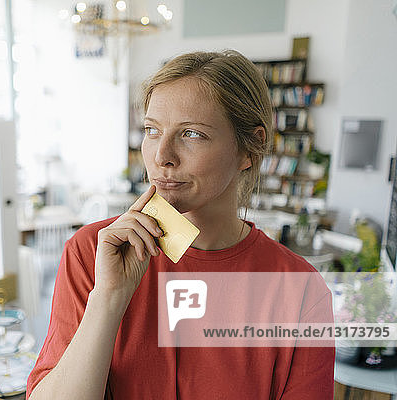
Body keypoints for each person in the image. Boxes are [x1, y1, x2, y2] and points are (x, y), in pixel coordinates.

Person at [26, 50, 335, 399]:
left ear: (251, 148)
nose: (161, 157)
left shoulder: (301, 291)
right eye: (151, 130)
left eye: (192, 134)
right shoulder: (92, 252)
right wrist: (109, 298)